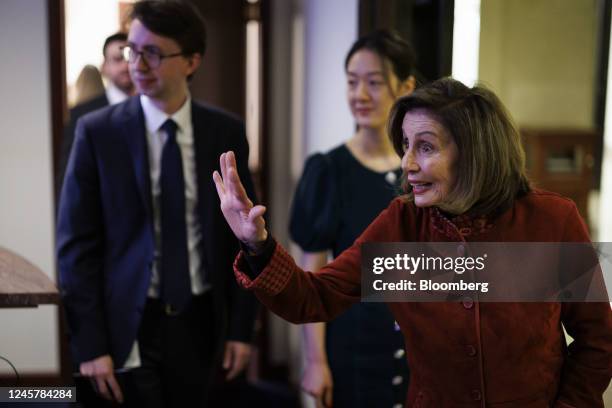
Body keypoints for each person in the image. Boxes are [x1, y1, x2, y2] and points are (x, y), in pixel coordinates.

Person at [213, 77, 612, 407]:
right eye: (405, 146)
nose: (407, 164)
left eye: (425, 147)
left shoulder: (552, 220)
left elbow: (598, 340)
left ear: (474, 152)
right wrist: (257, 244)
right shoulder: (402, 226)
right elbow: (314, 298)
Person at [57, 1, 258, 407]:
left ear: (191, 60)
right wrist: (90, 344)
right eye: (133, 50)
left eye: (153, 52)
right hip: (127, 322)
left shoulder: (225, 131)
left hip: (201, 318)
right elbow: (76, 247)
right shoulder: (97, 132)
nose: (137, 64)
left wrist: (241, 328)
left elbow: (243, 237)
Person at [289, 30, 415, 408]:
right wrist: (315, 362)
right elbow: (313, 277)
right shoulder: (328, 169)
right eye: (352, 82)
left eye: (374, 83)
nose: (359, 95)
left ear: (405, 86)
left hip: (418, 347)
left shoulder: (422, 172)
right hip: (354, 344)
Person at [58, 32, 135, 195]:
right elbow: (70, 177)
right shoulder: (84, 114)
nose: (125, 66)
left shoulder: (154, 107)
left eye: (130, 58)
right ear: (104, 66)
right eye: (117, 59)